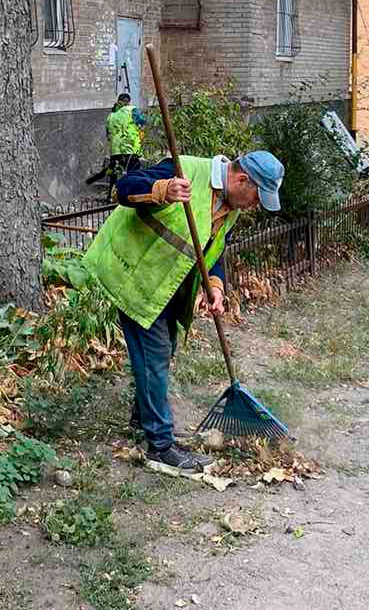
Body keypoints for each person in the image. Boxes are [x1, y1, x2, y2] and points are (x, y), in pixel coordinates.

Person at [82, 151, 285, 471]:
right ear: (242, 180)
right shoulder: (186, 170)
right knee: (155, 355)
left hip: (167, 284)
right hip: (134, 274)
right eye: (258, 197)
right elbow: (124, 188)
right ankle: (160, 446)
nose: (255, 205)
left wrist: (215, 287)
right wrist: (163, 190)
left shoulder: (230, 206)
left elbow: (214, 251)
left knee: (164, 352)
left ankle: (143, 418)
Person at [103, 93, 148, 199]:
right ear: (128, 102)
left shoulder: (111, 116)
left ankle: (110, 197)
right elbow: (142, 121)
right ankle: (130, 197)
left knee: (114, 174)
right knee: (133, 174)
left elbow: (108, 135)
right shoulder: (132, 110)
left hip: (115, 151)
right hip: (130, 149)